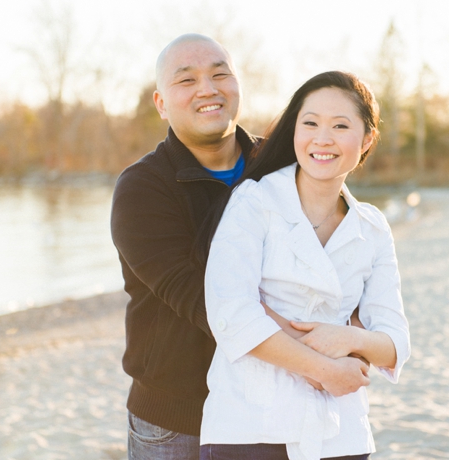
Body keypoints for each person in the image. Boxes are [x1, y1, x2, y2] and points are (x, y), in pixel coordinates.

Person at [110, 34, 326, 459]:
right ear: (160, 103)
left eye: (220, 73)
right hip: (178, 419)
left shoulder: (282, 170)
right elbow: (206, 303)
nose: (207, 88)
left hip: (273, 404)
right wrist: (316, 359)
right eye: (186, 80)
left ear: (237, 84)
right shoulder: (142, 188)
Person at [200, 71, 411, 460]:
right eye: (310, 123)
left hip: (341, 434)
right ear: (294, 130)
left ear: (366, 139)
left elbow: (395, 344)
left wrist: (349, 339)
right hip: (250, 426)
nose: (322, 138)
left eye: (340, 126)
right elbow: (230, 313)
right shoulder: (254, 201)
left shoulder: (372, 227)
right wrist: (324, 368)